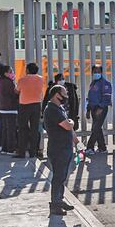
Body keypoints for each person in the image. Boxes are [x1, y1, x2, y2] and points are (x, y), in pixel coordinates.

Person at [42, 84, 77, 216]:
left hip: (65, 147)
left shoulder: (59, 108)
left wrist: (76, 142)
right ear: (57, 95)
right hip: (58, 148)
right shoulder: (52, 110)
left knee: (62, 176)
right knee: (58, 177)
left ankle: (59, 200)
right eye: (64, 94)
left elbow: (68, 128)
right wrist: (72, 122)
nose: (66, 97)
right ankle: (55, 203)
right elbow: (67, 125)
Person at [15, 62, 44, 158]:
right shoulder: (41, 79)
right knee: (34, 129)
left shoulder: (22, 80)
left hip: (24, 105)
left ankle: (22, 151)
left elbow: (17, 91)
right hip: (37, 105)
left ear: (27, 70)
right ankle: (33, 152)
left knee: (22, 129)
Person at [85, 64, 112, 155]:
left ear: (101, 72)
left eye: (98, 71)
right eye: (95, 72)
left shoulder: (105, 83)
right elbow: (90, 97)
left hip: (101, 109)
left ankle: (89, 147)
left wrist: (101, 108)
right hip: (93, 109)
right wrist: (88, 110)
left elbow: (107, 97)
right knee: (97, 129)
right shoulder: (93, 83)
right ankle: (102, 147)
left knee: (95, 128)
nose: (96, 73)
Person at [0, 65, 19, 156]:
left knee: (5, 129)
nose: (12, 73)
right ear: (5, 73)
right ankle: (11, 149)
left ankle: (5, 148)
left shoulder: (0, 81)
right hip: (10, 108)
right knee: (11, 129)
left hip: (3, 107)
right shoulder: (8, 82)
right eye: (10, 71)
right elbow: (13, 94)